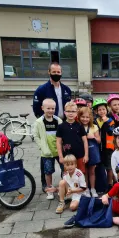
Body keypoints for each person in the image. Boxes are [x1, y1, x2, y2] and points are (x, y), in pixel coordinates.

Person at [32, 62, 72, 192]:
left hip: (62, 124)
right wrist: (44, 122)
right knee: (46, 154)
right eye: (54, 72)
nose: (56, 74)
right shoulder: (42, 89)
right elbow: (37, 109)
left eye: (58, 72)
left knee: (62, 153)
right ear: (49, 72)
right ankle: (46, 184)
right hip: (48, 125)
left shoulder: (66, 89)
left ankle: (65, 182)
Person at [33, 98, 63, 199]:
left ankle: (62, 188)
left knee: (64, 169)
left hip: (59, 151)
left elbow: (63, 134)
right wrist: (42, 146)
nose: (50, 110)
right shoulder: (39, 122)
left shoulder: (58, 120)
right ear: (42, 108)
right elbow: (36, 136)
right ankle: (50, 189)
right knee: (48, 171)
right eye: (48, 108)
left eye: (53, 108)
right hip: (47, 152)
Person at [56, 101, 88, 174]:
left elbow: (85, 141)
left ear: (76, 113)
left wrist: (86, 155)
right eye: (68, 111)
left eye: (73, 111)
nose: (71, 113)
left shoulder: (80, 126)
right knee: (67, 174)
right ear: (65, 112)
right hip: (67, 156)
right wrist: (60, 156)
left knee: (80, 173)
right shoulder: (61, 127)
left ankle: (81, 186)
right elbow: (58, 142)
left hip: (80, 155)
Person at [78, 107, 101, 197]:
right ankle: (86, 188)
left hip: (93, 152)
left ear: (90, 118)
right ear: (79, 117)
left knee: (92, 171)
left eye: (87, 117)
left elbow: (99, 140)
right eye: (83, 117)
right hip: (82, 152)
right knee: (84, 171)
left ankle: (93, 188)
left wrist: (93, 137)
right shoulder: (78, 127)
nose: (85, 119)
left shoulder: (94, 127)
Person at [94, 98, 115, 189]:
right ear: (96, 111)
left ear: (106, 110)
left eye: (103, 109)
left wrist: (106, 122)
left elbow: (111, 132)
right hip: (98, 147)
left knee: (109, 167)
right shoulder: (95, 121)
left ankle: (110, 184)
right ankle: (101, 184)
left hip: (108, 148)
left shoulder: (110, 120)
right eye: (99, 110)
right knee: (100, 166)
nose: (102, 111)